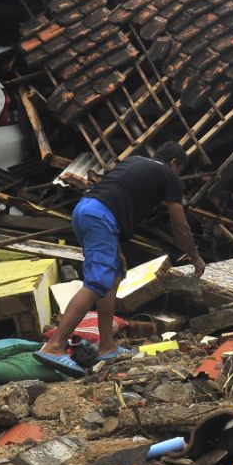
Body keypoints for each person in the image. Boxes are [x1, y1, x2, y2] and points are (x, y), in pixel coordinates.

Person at [35, 142, 207, 376]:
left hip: (86, 210)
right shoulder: (168, 174)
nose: (177, 175)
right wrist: (195, 258)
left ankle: (107, 346)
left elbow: (111, 196)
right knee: (96, 283)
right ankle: (54, 346)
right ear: (175, 164)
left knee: (113, 275)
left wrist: (117, 250)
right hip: (100, 217)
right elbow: (180, 226)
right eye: (179, 170)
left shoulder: (133, 161)